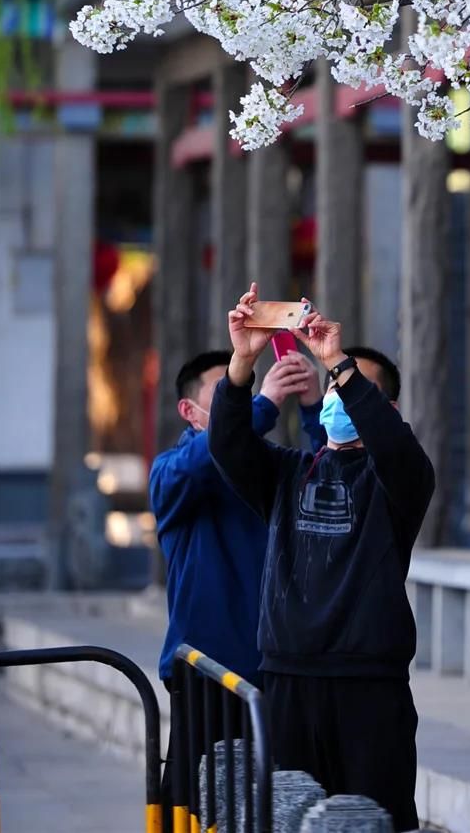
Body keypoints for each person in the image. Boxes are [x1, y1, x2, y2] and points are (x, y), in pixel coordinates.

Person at [209, 282, 435, 833]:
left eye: (351, 388)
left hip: (368, 687)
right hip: (287, 679)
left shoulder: (398, 487)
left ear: (385, 407)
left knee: (371, 820)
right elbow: (227, 444)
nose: (336, 394)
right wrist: (243, 361)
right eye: (333, 386)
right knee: (288, 819)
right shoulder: (288, 473)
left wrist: (336, 361)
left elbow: (398, 451)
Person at [150, 346, 322, 822]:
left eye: (241, 389)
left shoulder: (268, 465)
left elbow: (336, 471)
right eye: (226, 391)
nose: (236, 399)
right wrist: (260, 404)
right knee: (195, 811)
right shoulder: (173, 471)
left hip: (280, 675)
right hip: (209, 677)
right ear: (190, 411)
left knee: (278, 811)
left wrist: (311, 406)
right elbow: (214, 453)